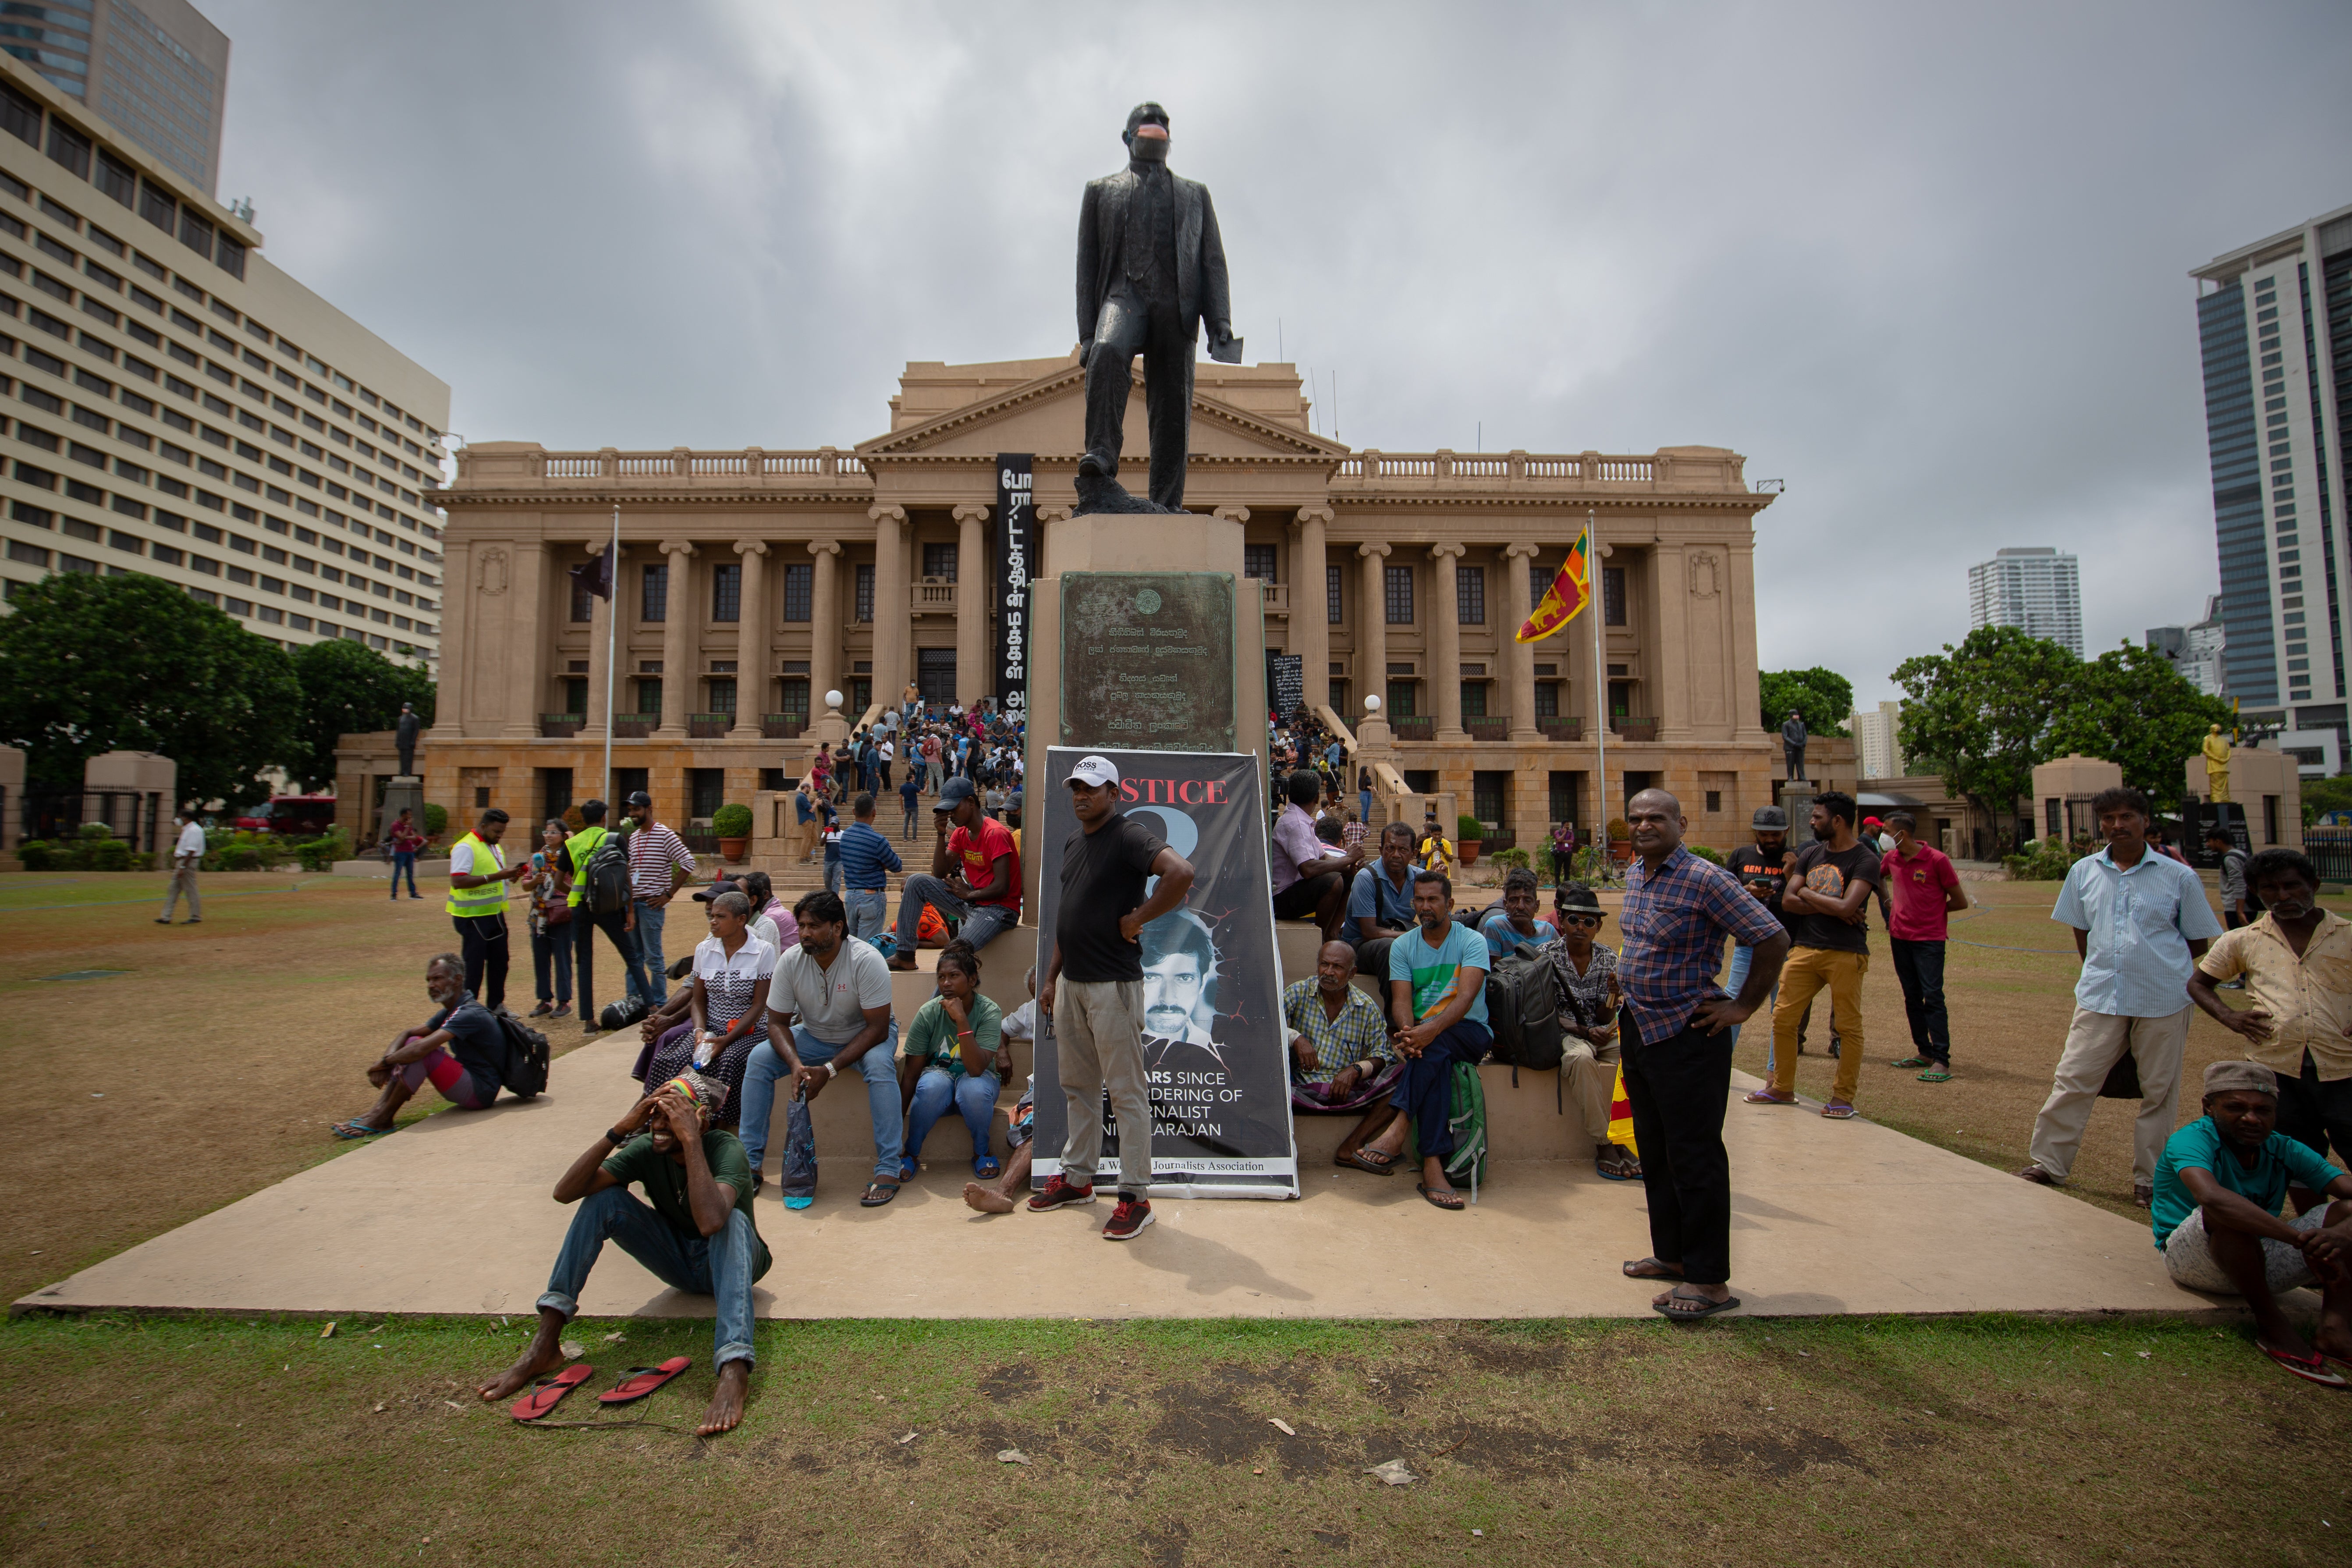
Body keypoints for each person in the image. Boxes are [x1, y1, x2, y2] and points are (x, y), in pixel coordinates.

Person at [476, 1072, 767, 1437]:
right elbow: (565, 1193)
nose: (659, 1126)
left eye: (671, 1117)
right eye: (654, 1115)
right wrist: (618, 1130)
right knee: (603, 1199)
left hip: (736, 1260)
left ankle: (734, 1368)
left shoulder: (725, 1148)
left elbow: (710, 1223)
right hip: (680, 1264)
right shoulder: (647, 1146)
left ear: (699, 1120)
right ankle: (545, 1344)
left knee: (732, 1220)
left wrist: (691, 1140)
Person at [1616, 788, 1790, 1319]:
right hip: (1640, 1027)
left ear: (1681, 823)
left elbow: (1771, 937)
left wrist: (1742, 1006)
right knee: (1656, 1149)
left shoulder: (1707, 879)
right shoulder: (1636, 872)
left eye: (1656, 818)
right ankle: (1673, 1256)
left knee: (1695, 1155)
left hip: (1688, 1032)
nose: (1645, 825)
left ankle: (1709, 1278)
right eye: (1637, 818)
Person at [2018, 786, 2222, 1206]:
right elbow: (2081, 928)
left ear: (2145, 821)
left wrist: (2157, 967)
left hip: (2163, 998)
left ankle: (2150, 1180)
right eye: (2108, 818)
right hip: (2100, 996)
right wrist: (2101, 967)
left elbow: (2198, 941)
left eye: (2127, 816)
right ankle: (2048, 1164)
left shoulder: (2177, 876)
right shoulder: (2084, 871)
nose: (2117, 825)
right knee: (2073, 1080)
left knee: (2159, 1091)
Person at [1033, 753, 1196, 1239]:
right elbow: (1070, 913)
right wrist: (1050, 978)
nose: (1082, 795)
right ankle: (1079, 1179)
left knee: (1126, 1092)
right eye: (1076, 787)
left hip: (1112, 986)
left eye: (1093, 787)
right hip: (1073, 985)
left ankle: (1135, 1196)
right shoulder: (1072, 842)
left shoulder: (1128, 834)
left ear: (1114, 793)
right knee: (1077, 1087)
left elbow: (1181, 872)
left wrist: (1138, 917)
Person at [2147, 1060, 2352, 1387]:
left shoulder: (2283, 1147)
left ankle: (2335, 1332)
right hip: (2194, 1260)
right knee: (2222, 1207)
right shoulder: (2191, 1140)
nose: (2251, 1119)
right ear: (2208, 1107)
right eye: (2235, 1108)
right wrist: (2299, 1240)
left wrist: (2338, 1236)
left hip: (2262, 1257)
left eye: (2263, 1110)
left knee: (2346, 1212)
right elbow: (2211, 1197)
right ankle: (2272, 1325)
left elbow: (2346, 1193)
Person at [2188, 848, 2352, 1168]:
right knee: (2296, 1160)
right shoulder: (2241, 940)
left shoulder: (2347, 935)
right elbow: (2197, 984)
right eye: (2270, 889)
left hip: (2345, 1067)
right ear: (2254, 892)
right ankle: (2311, 1220)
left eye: (2292, 886)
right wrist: (2229, 1016)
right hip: (2277, 1069)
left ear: (2314, 885)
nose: (2283, 895)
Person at [740, 890, 904, 1206]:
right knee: (759, 1059)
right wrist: (796, 1065)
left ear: (838, 928)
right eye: (801, 925)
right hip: (814, 1034)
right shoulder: (790, 960)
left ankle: (888, 1168)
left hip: (866, 1034)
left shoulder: (866, 960)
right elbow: (776, 1023)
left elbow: (878, 1028)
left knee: (880, 1067)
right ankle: (749, 1164)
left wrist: (829, 1070)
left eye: (814, 926)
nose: (804, 933)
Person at [1746, 791, 1881, 1119]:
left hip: (1846, 952)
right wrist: (1830, 904)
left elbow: (1848, 906)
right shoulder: (1810, 853)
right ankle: (1782, 1087)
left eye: (1817, 817)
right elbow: (1789, 902)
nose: (1811, 821)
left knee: (1848, 1027)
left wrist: (1806, 890)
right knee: (1783, 1018)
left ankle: (1842, 1098)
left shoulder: (1865, 859)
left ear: (1837, 820)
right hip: (1805, 948)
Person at [1385, 870, 1493, 1212]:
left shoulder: (1472, 941)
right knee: (1433, 1060)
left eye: (1433, 900)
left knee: (1434, 1047)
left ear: (1450, 903)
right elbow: (1401, 1002)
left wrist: (1427, 1032)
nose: (1425, 907)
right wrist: (1408, 1032)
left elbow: (1464, 1001)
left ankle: (1400, 1125)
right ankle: (1433, 1167)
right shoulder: (1403, 945)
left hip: (1470, 1031)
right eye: (1419, 900)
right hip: (1425, 1039)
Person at [332, 953, 520, 1137]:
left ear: (457, 980)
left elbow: (420, 1049)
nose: (431, 986)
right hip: (470, 1082)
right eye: (428, 980)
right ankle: (378, 1111)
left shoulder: (468, 1013)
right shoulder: (453, 1010)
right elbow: (407, 1033)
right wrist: (385, 1062)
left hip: (481, 1092)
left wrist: (384, 1063)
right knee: (413, 1043)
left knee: (422, 1051)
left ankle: (383, 1119)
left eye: (437, 979)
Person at [639, 890, 776, 1127]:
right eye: (712, 916)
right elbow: (700, 1001)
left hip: (749, 1029)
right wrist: (699, 1032)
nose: (713, 921)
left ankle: (714, 1126)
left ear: (741, 920)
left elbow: (759, 1005)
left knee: (730, 1059)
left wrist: (728, 1039)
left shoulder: (763, 951)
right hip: (710, 1028)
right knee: (671, 1058)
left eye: (721, 917)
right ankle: (659, 1119)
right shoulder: (704, 949)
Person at [1540, 883, 1641, 1181]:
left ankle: (1632, 1136)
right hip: (1564, 1032)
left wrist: (1612, 996)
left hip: (1599, 1030)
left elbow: (1604, 1015)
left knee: (1637, 1055)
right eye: (1573, 920)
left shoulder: (1609, 959)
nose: (1580, 927)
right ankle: (1605, 1142)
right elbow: (1541, 1012)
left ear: (1598, 925)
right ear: (1561, 920)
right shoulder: (1544, 956)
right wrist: (1583, 1030)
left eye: (1588, 921)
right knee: (1581, 1059)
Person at [1285, 940, 1402, 1171]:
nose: (1328, 973)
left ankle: (1351, 1145)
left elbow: (1384, 1055)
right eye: (1324, 965)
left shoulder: (1366, 1006)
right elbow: (1265, 1023)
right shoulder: (1299, 992)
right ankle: (1281, 1150)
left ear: (1353, 973)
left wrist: (1357, 1069)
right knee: (1263, 1075)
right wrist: (1295, 1038)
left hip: (1344, 1093)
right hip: (1298, 1090)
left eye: (1337, 967)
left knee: (1405, 1076)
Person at [900, 943, 1009, 1178]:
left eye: (954, 976)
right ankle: (910, 1153)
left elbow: (977, 1068)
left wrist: (961, 1020)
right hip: (940, 1088)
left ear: (972, 980)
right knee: (932, 1086)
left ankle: (982, 1152)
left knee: (974, 1088)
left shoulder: (989, 1011)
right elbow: (911, 1073)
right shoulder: (928, 1012)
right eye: (941, 977)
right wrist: (896, 1122)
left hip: (978, 1085)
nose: (946, 983)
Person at [890, 777, 1021, 970]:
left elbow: (1002, 887)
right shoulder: (960, 833)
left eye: (954, 808)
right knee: (916, 881)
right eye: (947, 810)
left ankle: (943, 1000)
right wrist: (941, 834)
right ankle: (905, 955)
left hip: (999, 909)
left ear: (970, 802)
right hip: (973, 901)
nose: (950, 815)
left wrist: (969, 894)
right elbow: (940, 872)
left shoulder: (995, 833)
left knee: (953, 958)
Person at [1881, 810, 1968, 1083]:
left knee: (1933, 996)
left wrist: (1934, 914)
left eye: (1886, 830)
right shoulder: (1891, 858)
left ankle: (1942, 1060)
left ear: (1901, 834)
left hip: (1929, 940)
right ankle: (1924, 1052)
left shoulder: (1936, 860)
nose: (1883, 835)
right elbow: (1877, 878)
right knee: (1911, 996)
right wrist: (1889, 903)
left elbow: (1960, 901)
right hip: (1900, 937)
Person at [557, 800, 653, 1036]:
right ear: (603, 819)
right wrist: (630, 911)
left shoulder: (570, 844)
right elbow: (626, 877)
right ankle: (653, 1009)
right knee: (631, 956)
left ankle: (589, 1021)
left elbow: (559, 882)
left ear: (583, 818)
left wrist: (581, 895)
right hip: (610, 907)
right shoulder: (614, 839)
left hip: (581, 908)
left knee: (584, 961)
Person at [964, 969, 1041, 1213]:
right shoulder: (1031, 1010)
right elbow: (1001, 1029)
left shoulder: (1086, 1003)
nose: (1044, 1001)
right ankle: (1003, 1192)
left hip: (1090, 1084)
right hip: (1046, 1087)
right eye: (1037, 995)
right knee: (1034, 1128)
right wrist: (1002, 1051)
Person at [1721, 805, 1791, 1052]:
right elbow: (1723, 896)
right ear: (1755, 832)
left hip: (1788, 947)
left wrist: (1792, 872)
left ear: (1787, 831)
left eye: (1776, 834)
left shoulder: (1794, 858)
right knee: (1732, 1002)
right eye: (1764, 833)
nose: (1770, 839)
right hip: (1747, 945)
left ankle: (1776, 1077)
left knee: (1782, 1010)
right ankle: (1721, 1064)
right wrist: (1747, 891)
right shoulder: (1741, 856)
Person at [447, 806, 530, 1011]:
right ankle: (468, 1010)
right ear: (483, 826)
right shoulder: (466, 847)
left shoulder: (494, 846)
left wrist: (510, 876)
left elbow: (493, 874)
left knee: (500, 962)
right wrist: (497, 877)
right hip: (472, 916)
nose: (500, 836)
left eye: (503, 832)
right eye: (496, 831)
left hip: (494, 914)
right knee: (474, 966)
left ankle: (496, 1006)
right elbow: (458, 881)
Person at [1270, 767, 1364, 942]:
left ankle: (1332, 933)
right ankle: (1321, 939)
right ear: (1316, 798)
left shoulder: (1303, 821)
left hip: (1297, 891)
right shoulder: (1296, 823)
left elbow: (1324, 858)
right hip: (1282, 899)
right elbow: (1308, 869)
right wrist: (1349, 858)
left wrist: (1349, 865)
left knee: (1351, 878)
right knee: (1333, 881)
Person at [624, 791, 699, 1006]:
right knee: (633, 956)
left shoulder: (665, 834)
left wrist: (668, 895)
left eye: (636, 809)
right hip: (634, 903)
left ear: (649, 809)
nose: (633, 814)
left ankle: (658, 1000)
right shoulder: (635, 837)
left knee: (653, 956)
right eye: (630, 810)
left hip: (651, 904)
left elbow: (688, 863)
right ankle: (634, 1000)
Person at [1345, 820, 1422, 984]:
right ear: (1381, 850)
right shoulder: (1366, 878)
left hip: (1400, 939)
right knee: (1390, 948)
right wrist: (1416, 936)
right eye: (1390, 848)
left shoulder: (1420, 879)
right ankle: (1395, 1009)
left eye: (1403, 850)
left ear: (1414, 853)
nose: (1396, 855)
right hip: (1361, 946)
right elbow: (1369, 932)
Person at [837, 791, 904, 944]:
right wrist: (879, 864)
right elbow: (897, 866)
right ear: (874, 813)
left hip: (851, 896)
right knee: (868, 947)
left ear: (854, 812)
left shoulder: (845, 836)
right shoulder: (878, 840)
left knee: (852, 944)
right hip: (871, 896)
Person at [526, 818, 573, 1020]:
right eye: (546, 832)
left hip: (561, 912)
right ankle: (545, 1000)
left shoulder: (570, 857)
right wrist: (534, 881)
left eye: (554, 832)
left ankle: (564, 1002)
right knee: (540, 958)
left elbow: (576, 882)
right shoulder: (537, 857)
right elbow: (525, 883)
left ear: (564, 836)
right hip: (539, 913)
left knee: (563, 958)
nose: (548, 836)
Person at [1478, 867, 1557, 963]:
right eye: (1514, 900)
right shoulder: (1496, 927)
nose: (1520, 907)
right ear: (1506, 906)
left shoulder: (1548, 931)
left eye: (1527, 901)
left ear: (1537, 906)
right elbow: (1495, 975)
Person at [157, 808, 206, 924]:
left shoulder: (194, 830)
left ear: (185, 818)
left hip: (187, 862)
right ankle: (166, 917)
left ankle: (195, 916)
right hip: (183, 861)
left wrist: (183, 867)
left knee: (190, 889)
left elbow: (191, 851)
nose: (179, 819)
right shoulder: (188, 829)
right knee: (173, 889)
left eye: (180, 817)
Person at [2212, 827, 2256, 929]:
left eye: (2209, 841)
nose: (2207, 845)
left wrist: (2239, 912)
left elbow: (2239, 884)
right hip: (2248, 907)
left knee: (2237, 941)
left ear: (2218, 841)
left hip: (2236, 908)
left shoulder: (2230, 859)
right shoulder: (2241, 854)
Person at [385, 808, 426, 901]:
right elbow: (401, 837)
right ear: (403, 815)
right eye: (409, 815)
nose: (410, 817)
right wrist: (407, 829)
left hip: (410, 852)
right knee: (398, 873)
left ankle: (413, 894)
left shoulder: (408, 825)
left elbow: (415, 837)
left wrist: (405, 836)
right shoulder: (395, 825)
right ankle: (394, 895)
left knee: (410, 874)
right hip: (400, 853)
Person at [1415, 807, 1456, 877]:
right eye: (1435, 835)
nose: (1437, 837)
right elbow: (1423, 857)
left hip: (1443, 873)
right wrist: (1432, 851)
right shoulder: (1427, 842)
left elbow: (1451, 860)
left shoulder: (1447, 843)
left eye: (1439, 835)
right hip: (1430, 872)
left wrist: (1443, 851)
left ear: (1442, 833)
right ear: (1431, 834)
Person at [819, 799, 843, 895]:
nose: (833, 826)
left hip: (838, 860)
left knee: (837, 881)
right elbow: (821, 844)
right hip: (828, 860)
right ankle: (829, 895)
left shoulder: (843, 834)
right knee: (827, 880)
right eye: (831, 824)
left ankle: (835, 896)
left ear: (838, 824)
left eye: (834, 824)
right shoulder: (826, 833)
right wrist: (826, 834)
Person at [793, 777, 818, 863]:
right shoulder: (801, 797)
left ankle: (807, 855)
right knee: (807, 838)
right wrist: (817, 804)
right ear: (805, 787)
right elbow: (811, 809)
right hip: (807, 820)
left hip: (811, 819)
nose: (810, 789)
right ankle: (802, 858)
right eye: (809, 788)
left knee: (815, 838)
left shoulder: (803, 797)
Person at [1780, 710, 1807, 784]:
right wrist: (1795, 744)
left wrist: (1804, 743)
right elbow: (1785, 737)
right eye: (1795, 714)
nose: (1797, 715)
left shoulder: (1801, 724)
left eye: (1797, 714)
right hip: (1790, 748)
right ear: (1791, 716)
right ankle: (1790, 777)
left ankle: (1802, 777)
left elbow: (1805, 735)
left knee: (1800, 763)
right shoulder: (1786, 724)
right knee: (1790, 763)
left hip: (1800, 747)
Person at [1550, 821, 1577, 887]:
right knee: (1558, 870)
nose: (1568, 827)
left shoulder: (1571, 833)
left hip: (1568, 853)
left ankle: (1567, 884)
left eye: (1568, 825)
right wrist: (1564, 833)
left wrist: (1563, 841)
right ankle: (1558, 884)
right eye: (1566, 825)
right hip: (1560, 853)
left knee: (1567, 870)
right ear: (1563, 826)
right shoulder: (1558, 832)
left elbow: (1572, 841)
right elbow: (1559, 840)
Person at [898, 767, 922, 840]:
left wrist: (902, 808)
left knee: (906, 822)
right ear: (911, 779)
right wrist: (927, 786)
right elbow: (923, 793)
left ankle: (905, 838)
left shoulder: (903, 787)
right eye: (914, 778)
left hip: (907, 806)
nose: (914, 779)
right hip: (914, 806)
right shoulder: (914, 786)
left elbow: (900, 798)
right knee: (914, 822)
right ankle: (914, 838)